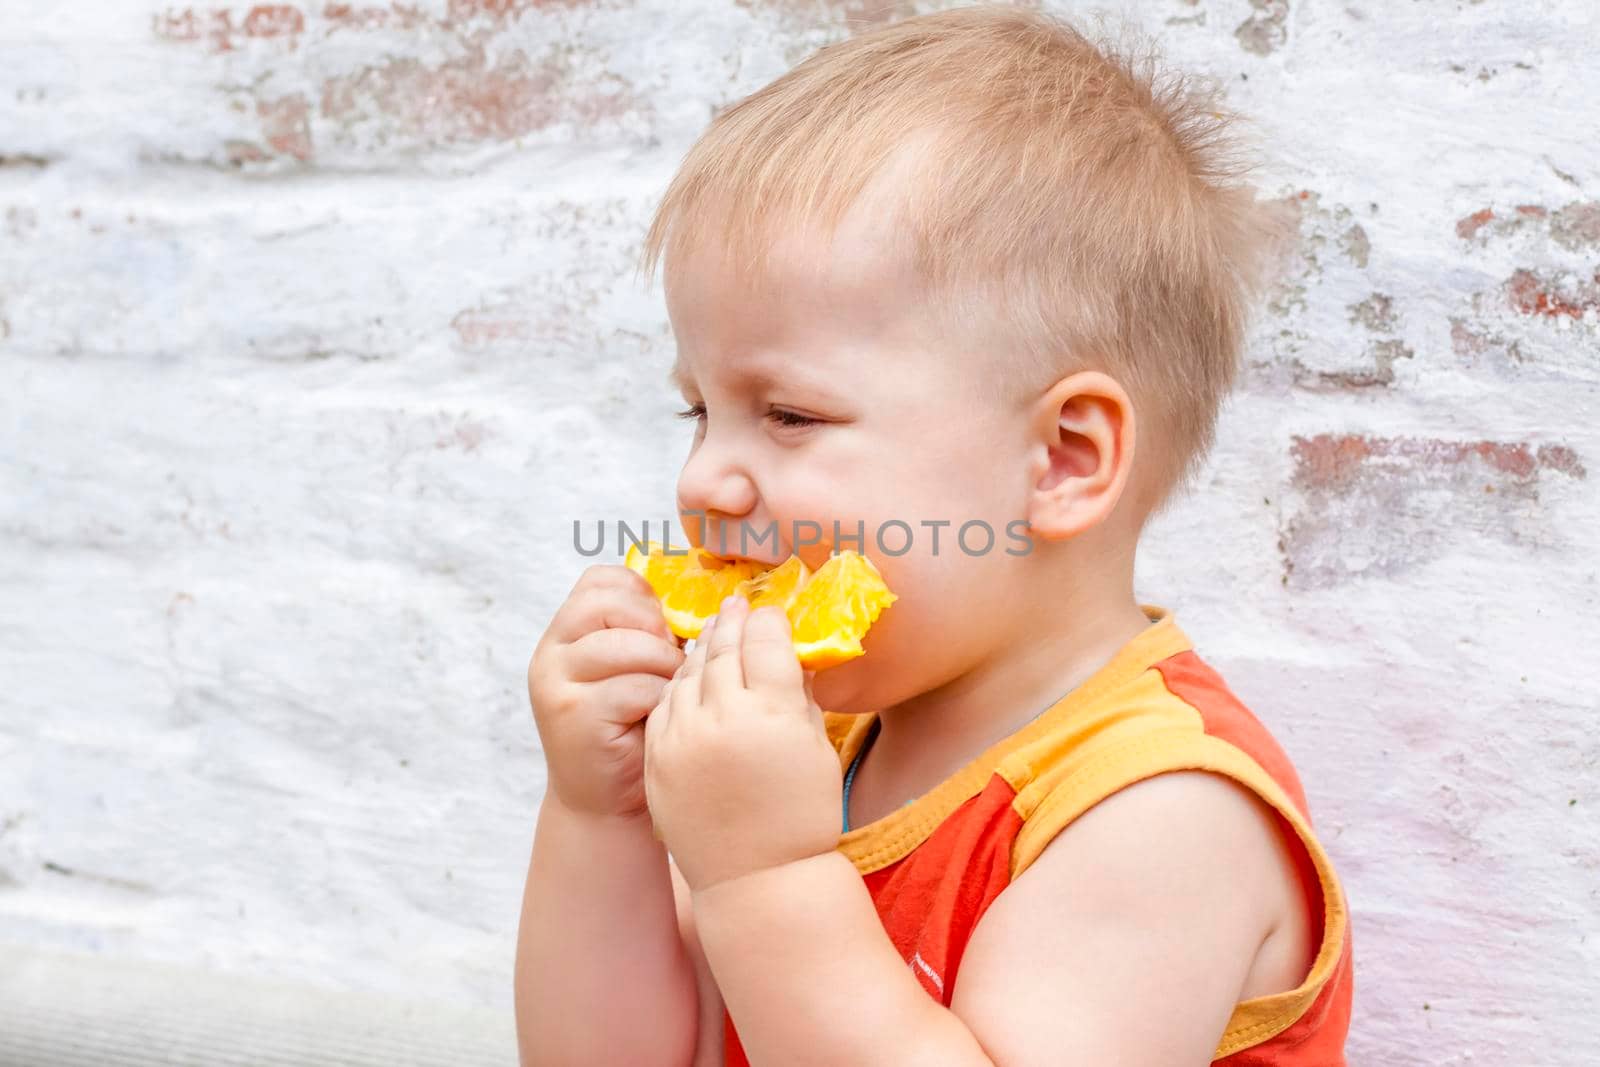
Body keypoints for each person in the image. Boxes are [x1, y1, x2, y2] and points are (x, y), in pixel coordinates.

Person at [515, 6, 1353, 1064]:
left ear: (1062, 458)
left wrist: (763, 876)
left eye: (790, 415)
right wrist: (600, 820)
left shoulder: (1159, 809)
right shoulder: (803, 742)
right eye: (699, 411)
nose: (701, 478)